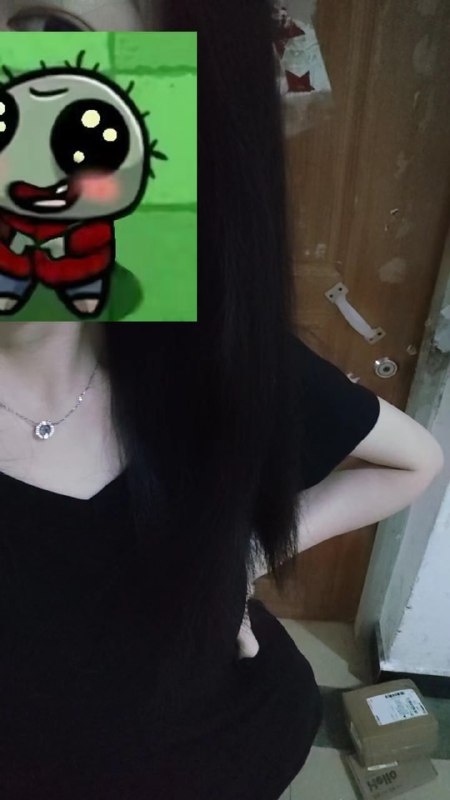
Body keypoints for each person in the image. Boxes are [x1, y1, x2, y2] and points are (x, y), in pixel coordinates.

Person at [0, 3, 444, 800]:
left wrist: (238, 561)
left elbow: (414, 461)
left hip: (222, 747)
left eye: (44, 29)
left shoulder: (198, 357)